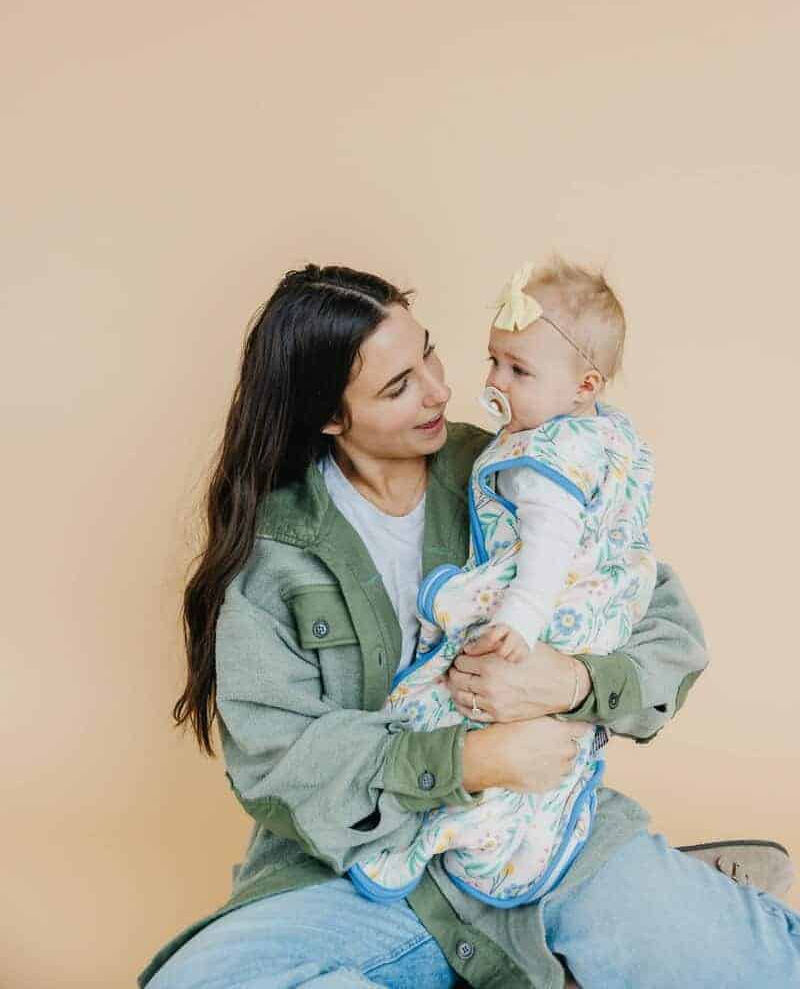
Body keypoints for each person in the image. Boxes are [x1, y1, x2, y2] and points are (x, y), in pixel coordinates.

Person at [139, 264, 799, 989]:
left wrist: (572, 682)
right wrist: (474, 759)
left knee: (763, 967)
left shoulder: (516, 465)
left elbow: (661, 619)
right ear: (329, 417)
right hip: (356, 872)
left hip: (547, 831)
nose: (439, 390)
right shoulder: (275, 554)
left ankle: (642, 916)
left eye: (428, 353)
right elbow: (281, 760)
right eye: (398, 386)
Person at [349, 257, 658, 905]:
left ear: (584, 385)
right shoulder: (601, 437)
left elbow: (550, 550)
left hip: (547, 614)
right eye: (494, 360)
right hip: (584, 622)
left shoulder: (540, 458)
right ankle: (499, 838)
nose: (487, 382)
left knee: (446, 691)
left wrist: (526, 625)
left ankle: (465, 838)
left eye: (518, 370)